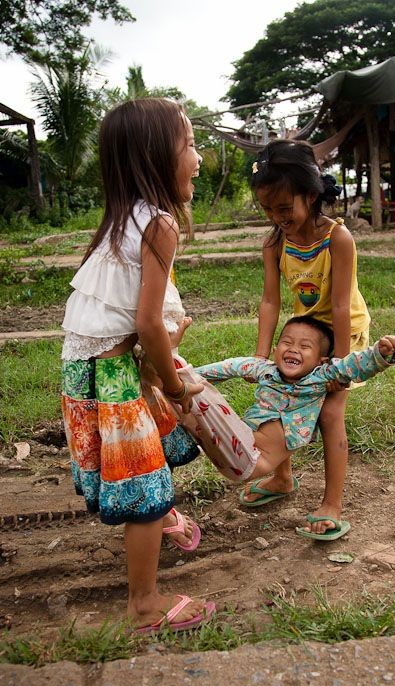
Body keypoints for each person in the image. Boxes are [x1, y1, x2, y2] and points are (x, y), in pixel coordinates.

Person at [60, 98, 215, 633]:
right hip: (114, 377)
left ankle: (162, 516)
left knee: (156, 447)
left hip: (89, 374)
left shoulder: (121, 219)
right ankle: (145, 603)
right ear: (156, 156)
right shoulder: (160, 224)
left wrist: (158, 362)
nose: (198, 158)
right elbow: (147, 324)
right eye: (190, 145)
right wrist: (173, 385)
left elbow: (122, 321)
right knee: (145, 487)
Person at [248, 138, 371, 539]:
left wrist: (341, 365)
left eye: (284, 208)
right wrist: (261, 356)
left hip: (341, 330)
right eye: (267, 209)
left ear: (312, 194)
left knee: (330, 413)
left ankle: (332, 502)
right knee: (276, 397)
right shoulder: (274, 241)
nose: (276, 217)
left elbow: (338, 306)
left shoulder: (338, 239)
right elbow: (270, 300)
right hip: (303, 330)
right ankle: (282, 479)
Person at [189, 316, 395, 540]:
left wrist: (382, 352)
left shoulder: (323, 375)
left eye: (304, 346)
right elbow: (229, 367)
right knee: (191, 396)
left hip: (256, 459)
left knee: (200, 414)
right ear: (274, 350)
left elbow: (355, 364)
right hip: (244, 441)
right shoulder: (264, 369)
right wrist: (189, 374)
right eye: (287, 343)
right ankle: (281, 480)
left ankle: (328, 504)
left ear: (321, 360)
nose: (293, 349)